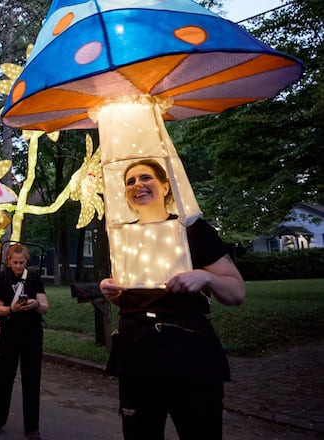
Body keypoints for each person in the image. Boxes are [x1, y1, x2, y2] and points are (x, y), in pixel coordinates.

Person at [99, 159, 245, 440]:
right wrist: (112, 291)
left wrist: (206, 278)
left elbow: (237, 293)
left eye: (145, 178)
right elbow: (129, 299)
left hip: (189, 356)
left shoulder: (193, 230)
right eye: (130, 182)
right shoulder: (123, 237)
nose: (137, 185)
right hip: (137, 357)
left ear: (166, 186)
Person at [0, 244, 48, 439]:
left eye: (22, 262)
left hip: (32, 334)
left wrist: (36, 304)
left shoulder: (33, 277)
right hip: (9, 334)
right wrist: (12, 309)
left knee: (32, 380)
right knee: (4, 378)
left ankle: (32, 426)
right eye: (15, 262)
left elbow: (45, 305)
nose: (18, 266)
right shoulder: (1, 278)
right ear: (8, 260)